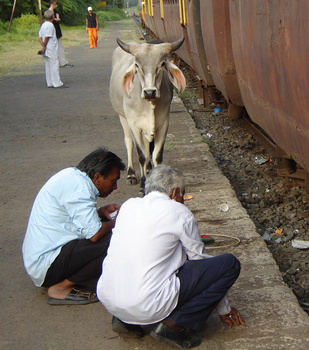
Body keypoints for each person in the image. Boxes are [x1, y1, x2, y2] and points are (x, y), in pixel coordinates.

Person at [97, 164, 244, 348]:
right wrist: (224, 308)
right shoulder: (178, 212)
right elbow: (199, 260)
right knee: (229, 264)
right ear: (175, 192)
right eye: (182, 194)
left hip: (110, 299)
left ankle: (124, 320)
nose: (183, 199)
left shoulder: (128, 206)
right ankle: (174, 325)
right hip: (146, 304)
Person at [22, 147, 125, 305]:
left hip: (43, 260)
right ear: (98, 177)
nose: (115, 187)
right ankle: (62, 287)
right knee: (116, 237)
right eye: (113, 181)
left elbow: (73, 218)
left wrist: (100, 212)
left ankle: (86, 280)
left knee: (108, 231)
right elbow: (95, 234)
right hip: (47, 264)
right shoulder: (79, 188)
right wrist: (120, 220)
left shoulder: (72, 177)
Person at [38, 10, 69, 88]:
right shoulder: (50, 25)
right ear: (52, 17)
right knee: (54, 65)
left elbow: (40, 37)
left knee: (48, 66)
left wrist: (42, 45)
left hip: (46, 49)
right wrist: (44, 46)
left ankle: (50, 82)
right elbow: (47, 37)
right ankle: (57, 82)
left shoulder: (43, 25)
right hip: (51, 48)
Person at [48, 0, 73, 68]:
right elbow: (50, 21)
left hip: (57, 31)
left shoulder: (55, 12)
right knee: (53, 48)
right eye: (55, 4)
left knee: (59, 47)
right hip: (52, 32)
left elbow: (57, 19)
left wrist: (57, 19)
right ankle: (56, 62)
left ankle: (62, 62)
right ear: (52, 4)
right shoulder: (49, 12)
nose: (56, 6)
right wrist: (56, 19)